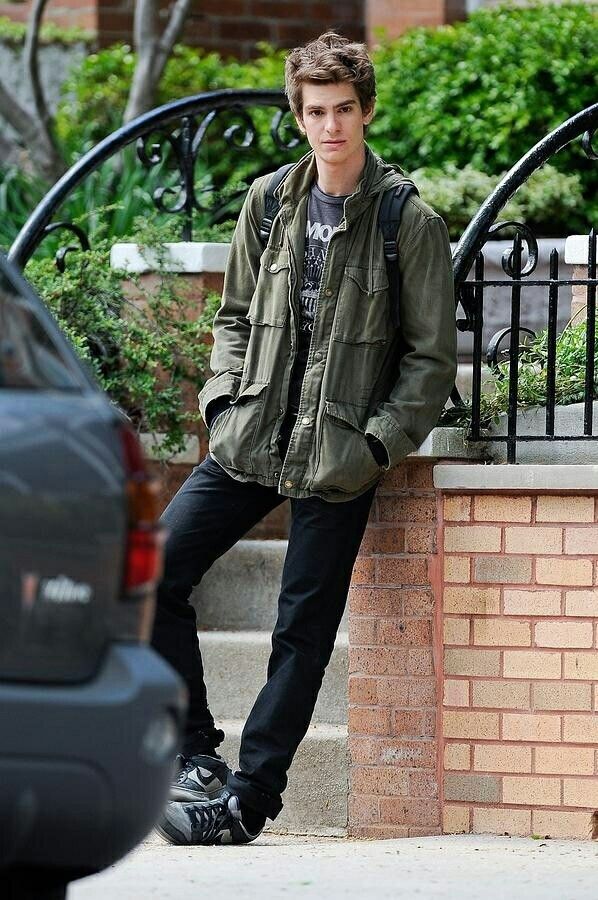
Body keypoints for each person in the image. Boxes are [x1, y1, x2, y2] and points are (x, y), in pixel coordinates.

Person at [152, 31, 457, 846]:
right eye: (316, 111)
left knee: (301, 628)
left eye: (345, 110)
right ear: (299, 117)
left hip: (338, 456)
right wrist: (221, 403)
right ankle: (194, 757)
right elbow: (232, 318)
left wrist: (376, 447)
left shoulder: (407, 219)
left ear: (365, 112)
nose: (331, 126)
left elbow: (431, 361)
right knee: (153, 570)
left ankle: (251, 799)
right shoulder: (267, 202)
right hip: (250, 436)